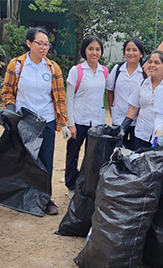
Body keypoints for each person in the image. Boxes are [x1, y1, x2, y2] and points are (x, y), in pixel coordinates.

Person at [1, 27, 70, 215]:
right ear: (29, 43)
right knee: (26, 160)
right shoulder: (16, 65)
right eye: (40, 43)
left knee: (45, 162)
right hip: (25, 122)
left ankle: (45, 199)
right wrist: (12, 113)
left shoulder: (53, 68)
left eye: (47, 44)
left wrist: (63, 123)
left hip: (46, 120)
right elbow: (7, 92)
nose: (44, 47)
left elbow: (59, 97)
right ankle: (25, 197)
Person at [64, 35, 108, 199]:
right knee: (73, 155)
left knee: (92, 156)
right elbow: (70, 98)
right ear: (85, 51)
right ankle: (71, 185)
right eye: (91, 49)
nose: (94, 52)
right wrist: (71, 123)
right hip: (79, 120)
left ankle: (88, 185)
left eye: (97, 49)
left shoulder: (104, 71)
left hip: (97, 121)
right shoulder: (77, 70)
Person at [118, 50, 163, 150]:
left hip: (162, 138)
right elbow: (133, 108)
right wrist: (122, 129)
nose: (152, 65)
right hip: (141, 134)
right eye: (150, 62)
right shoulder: (141, 84)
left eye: (157, 63)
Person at [107, 38, 146, 150]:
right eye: (128, 50)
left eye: (135, 50)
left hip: (138, 121)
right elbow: (110, 91)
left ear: (141, 54)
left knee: (134, 151)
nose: (131, 53)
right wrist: (111, 110)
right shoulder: (117, 69)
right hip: (118, 119)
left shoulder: (144, 73)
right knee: (117, 150)